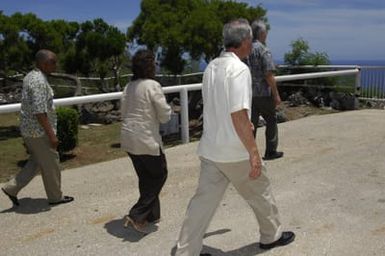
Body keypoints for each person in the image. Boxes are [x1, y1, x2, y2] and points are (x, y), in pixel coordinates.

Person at [174, 20, 295, 256]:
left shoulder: (211, 67)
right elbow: (238, 113)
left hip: (211, 150)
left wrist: (244, 121)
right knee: (261, 192)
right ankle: (271, 236)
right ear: (246, 41)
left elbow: (218, 107)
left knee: (201, 205)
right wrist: (253, 152)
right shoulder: (239, 69)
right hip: (235, 151)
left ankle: (186, 251)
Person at [1, 49, 74, 206]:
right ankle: (56, 197)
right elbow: (40, 112)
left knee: (36, 162)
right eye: (53, 62)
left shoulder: (30, 76)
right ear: (43, 63)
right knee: (52, 164)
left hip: (30, 131)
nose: (56, 65)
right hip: (39, 132)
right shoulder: (39, 82)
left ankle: (11, 188)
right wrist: (52, 136)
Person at [120, 49, 171, 233]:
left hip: (129, 138)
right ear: (150, 66)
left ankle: (152, 214)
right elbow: (164, 115)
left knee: (146, 177)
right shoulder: (152, 85)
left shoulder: (129, 86)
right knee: (160, 174)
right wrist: (168, 110)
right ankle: (137, 214)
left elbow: (124, 112)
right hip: (145, 139)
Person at [247, 20, 283, 160]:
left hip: (248, 93)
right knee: (271, 119)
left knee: (251, 124)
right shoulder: (263, 50)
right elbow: (269, 75)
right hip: (263, 94)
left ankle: (249, 154)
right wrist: (276, 95)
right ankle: (271, 151)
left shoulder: (246, 49)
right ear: (262, 33)